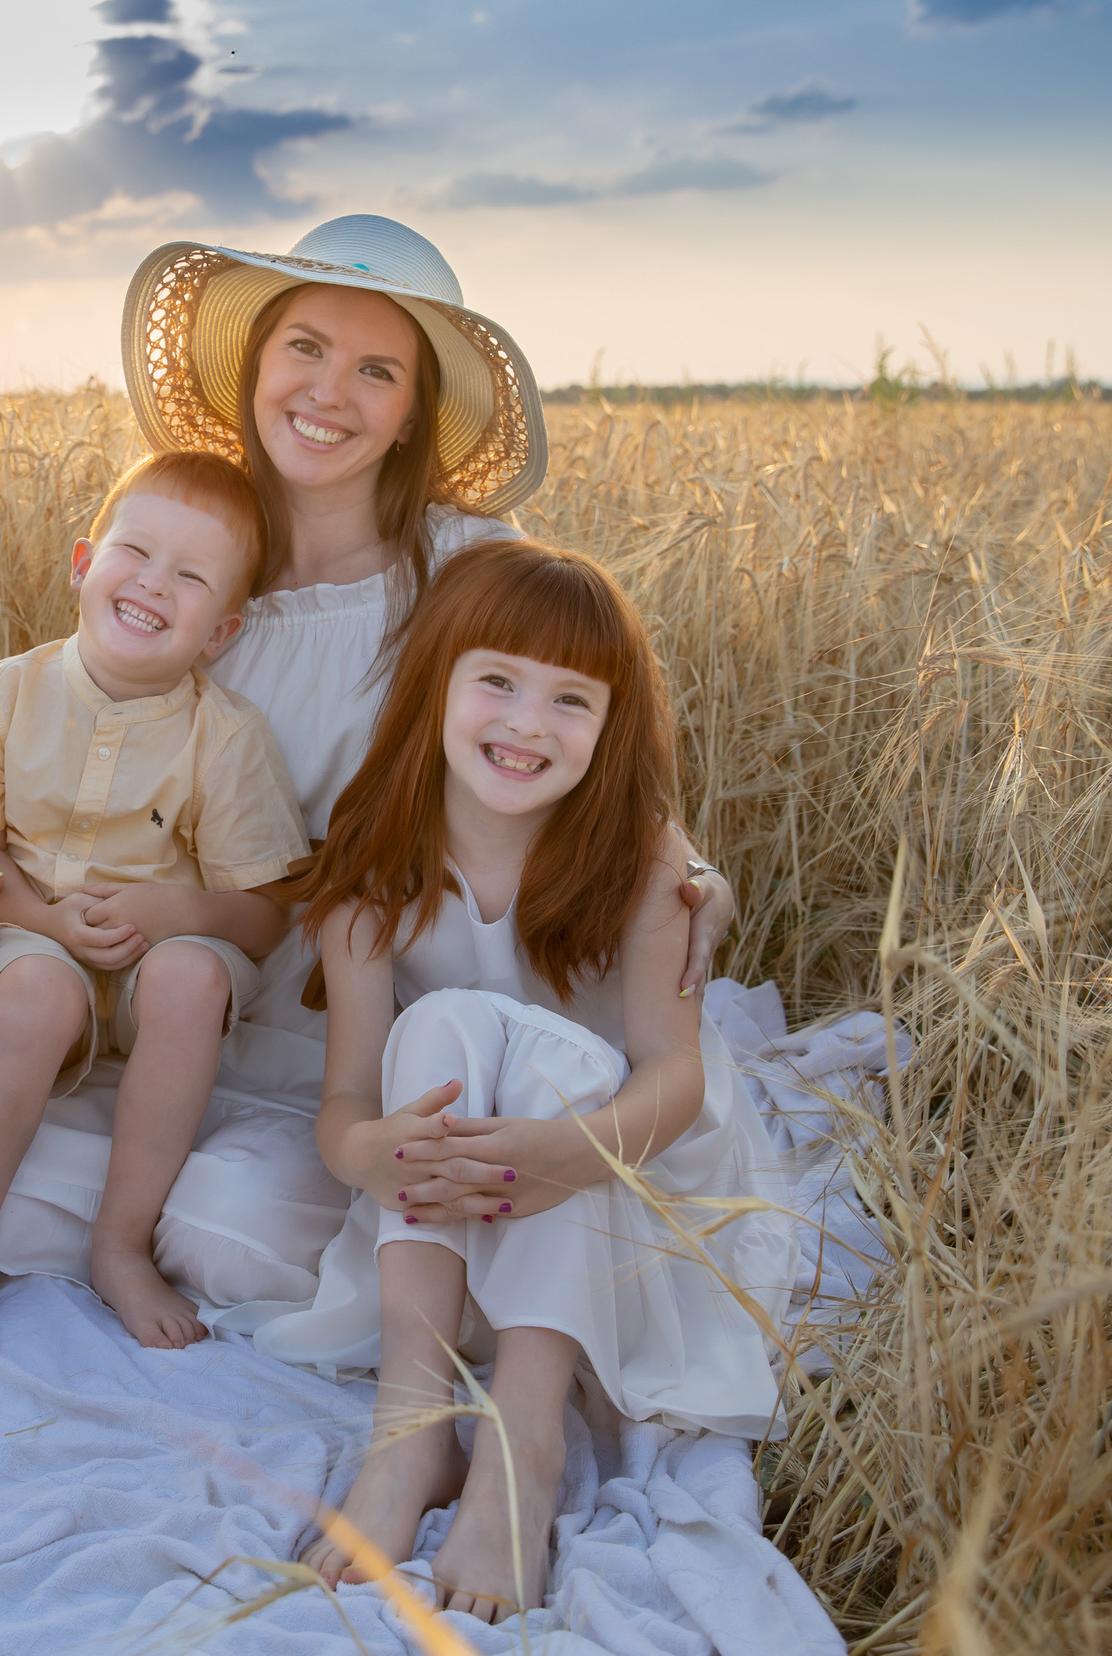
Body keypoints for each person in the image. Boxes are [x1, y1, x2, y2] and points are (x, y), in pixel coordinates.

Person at [0, 214, 738, 1332]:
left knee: (256, 1223)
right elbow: (82, 761)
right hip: (214, 982)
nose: (329, 393)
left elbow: (587, 753)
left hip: (410, 986)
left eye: (377, 371)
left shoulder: (470, 565)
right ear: (254, 366)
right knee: (123, 1210)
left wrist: (697, 873)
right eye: (305, 350)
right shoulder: (196, 563)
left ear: (415, 410)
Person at [287, 540, 795, 1620]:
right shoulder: (375, 868)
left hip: (620, 1191)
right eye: (498, 682)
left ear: (610, 730)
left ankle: (523, 1434)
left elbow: (674, 1078)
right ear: (436, 684)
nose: (526, 724)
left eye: (571, 700)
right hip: (456, 1210)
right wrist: (361, 1151)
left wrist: (571, 1153)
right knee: (440, 1031)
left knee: (564, 1055)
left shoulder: (645, 865)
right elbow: (344, 1106)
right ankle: (410, 1426)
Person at [0, 451, 312, 1359]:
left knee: (191, 980)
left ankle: (122, 1247)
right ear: (85, 564)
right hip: (39, 938)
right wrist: (46, 923)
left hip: (163, 959)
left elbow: (267, 913)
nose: (154, 584)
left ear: (220, 631)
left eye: (192, 576)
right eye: (137, 552)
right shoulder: (7, 692)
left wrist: (175, 913)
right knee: (40, 995)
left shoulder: (227, 737)